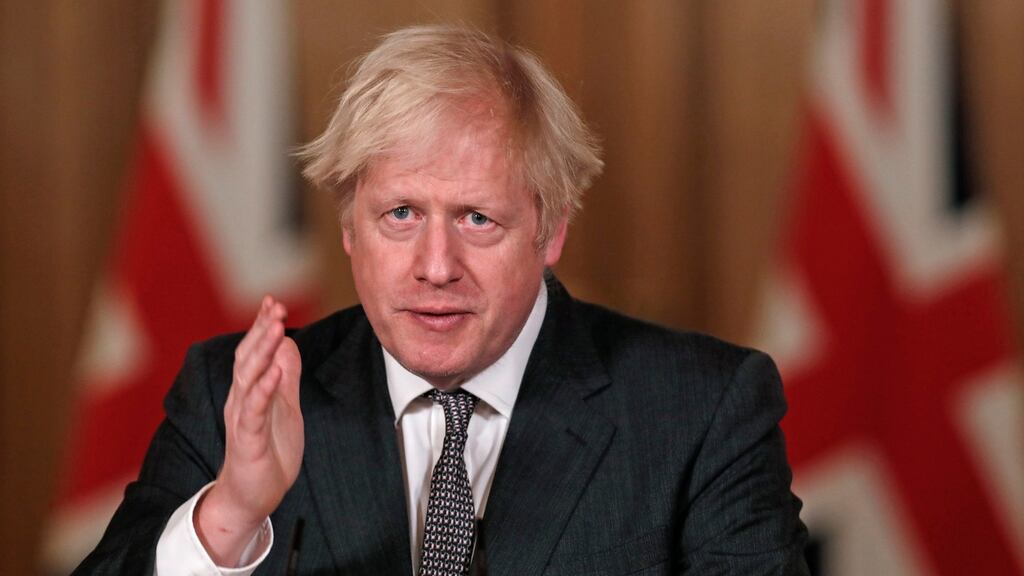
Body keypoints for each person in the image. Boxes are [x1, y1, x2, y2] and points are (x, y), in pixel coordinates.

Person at [74, 24, 809, 575]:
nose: (435, 267)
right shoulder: (236, 394)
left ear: (550, 231)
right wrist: (231, 512)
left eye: (477, 219)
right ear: (349, 229)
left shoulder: (702, 409)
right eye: (400, 215)